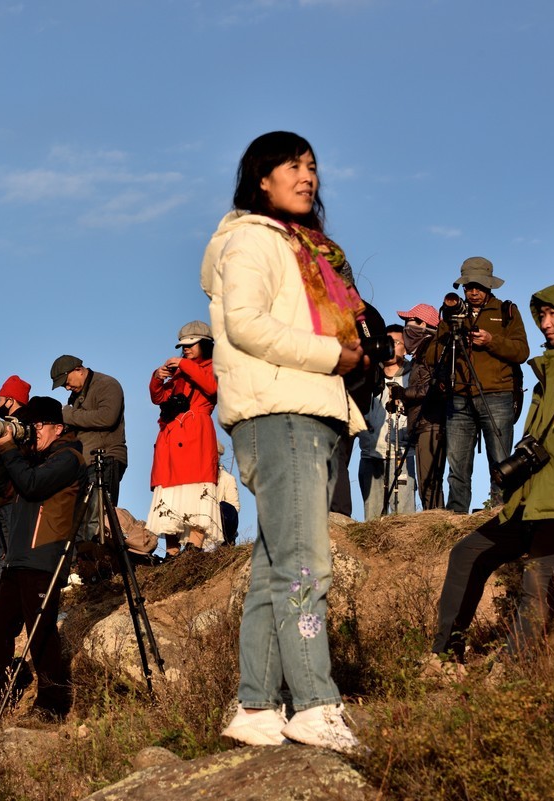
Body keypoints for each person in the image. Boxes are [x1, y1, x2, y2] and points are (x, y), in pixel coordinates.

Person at [201, 131, 365, 752]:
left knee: (275, 565)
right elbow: (244, 324)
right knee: (305, 563)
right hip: (282, 411)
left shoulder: (305, 248)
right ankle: (316, 704)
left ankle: (257, 707)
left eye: (313, 166)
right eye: (292, 166)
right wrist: (333, 355)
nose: (307, 176)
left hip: (299, 409)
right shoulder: (253, 239)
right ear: (260, 179)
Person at [430, 282, 554, 663]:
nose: (547, 324)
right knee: (466, 554)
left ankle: (516, 668)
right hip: (535, 496)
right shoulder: (549, 373)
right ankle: (442, 656)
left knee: (536, 580)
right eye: (542, 316)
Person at [0, 396, 86, 721]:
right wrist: (4, 443)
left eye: (38, 425)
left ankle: (52, 705)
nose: (34, 431)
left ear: (58, 427)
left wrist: (12, 449)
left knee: (40, 631)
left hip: (45, 557)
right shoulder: (32, 457)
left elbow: (31, 486)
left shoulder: (68, 458)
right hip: (18, 559)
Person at [429, 257, 530, 513]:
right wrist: (450, 335)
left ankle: (500, 512)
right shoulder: (452, 314)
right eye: (468, 287)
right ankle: (457, 516)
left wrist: (491, 341)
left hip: (497, 395)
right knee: (458, 465)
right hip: (459, 395)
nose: (473, 292)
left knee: (501, 461)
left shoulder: (506, 311)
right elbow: (431, 356)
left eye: (479, 286)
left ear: (489, 287)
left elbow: (521, 352)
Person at [147, 321, 221, 555]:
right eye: (184, 345)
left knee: (197, 489)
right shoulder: (179, 373)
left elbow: (212, 387)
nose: (186, 349)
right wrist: (158, 377)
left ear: (205, 344)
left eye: (192, 344)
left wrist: (185, 365)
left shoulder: (214, 366)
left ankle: (194, 548)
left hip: (196, 434)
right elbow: (159, 398)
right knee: (169, 492)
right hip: (171, 436)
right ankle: (171, 552)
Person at [50, 355, 127, 505]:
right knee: (85, 522)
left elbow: (107, 417)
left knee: (99, 518)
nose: (67, 387)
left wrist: (68, 414)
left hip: (106, 460)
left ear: (78, 370)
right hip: (86, 463)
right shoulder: (77, 394)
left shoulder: (107, 384)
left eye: (66, 382)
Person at [358, 324, 416, 519]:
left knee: (404, 520)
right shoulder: (369, 375)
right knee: (372, 520)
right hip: (370, 454)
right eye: (387, 342)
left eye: (397, 343)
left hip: (402, 456)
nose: (391, 347)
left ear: (406, 348)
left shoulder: (414, 376)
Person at [397, 303, 447, 510]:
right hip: (423, 423)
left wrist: (405, 395)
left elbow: (437, 385)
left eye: (410, 321)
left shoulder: (433, 349)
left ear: (423, 324)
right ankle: (434, 520)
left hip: (432, 422)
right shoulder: (420, 354)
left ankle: (437, 524)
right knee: (427, 481)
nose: (406, 328)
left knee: (430, 481)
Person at [0, 375, 32, 579]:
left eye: (0, 399)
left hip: (10, 498)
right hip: (2, 498)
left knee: (6, 555)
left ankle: (3, 599)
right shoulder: (10, 426)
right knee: (1, 555)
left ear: (11, 400)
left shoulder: (23, 426)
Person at [215, 442, 241, 546]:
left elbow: (234, 506)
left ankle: (228, 540)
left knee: (226, 507)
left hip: (220, 520)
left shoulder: (228, 479)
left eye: (217, 454)